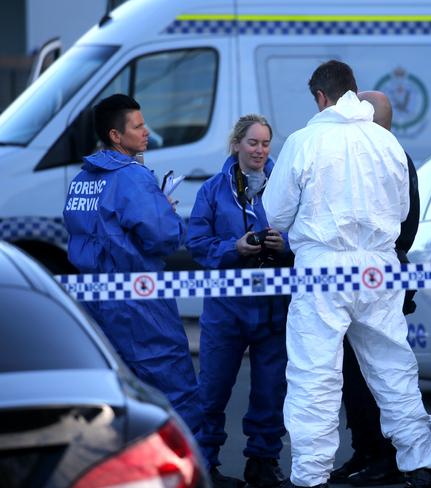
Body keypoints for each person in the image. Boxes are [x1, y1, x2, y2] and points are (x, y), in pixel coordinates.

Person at [263, 61, 431, 488]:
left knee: (315, 373)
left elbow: (275, 213)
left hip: (323, 267)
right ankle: (419, 464)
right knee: (393, 367)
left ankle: (310, 476)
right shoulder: (387, 142)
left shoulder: (304, 142)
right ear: (353, 92)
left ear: (321, 97)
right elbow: (401, 211)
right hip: (379, 266)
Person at [62, 93, 203, 439]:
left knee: (115, 396)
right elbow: (164, 237)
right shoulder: (132, 177)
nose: (146, 132)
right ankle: (195, 467)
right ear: (115, 135)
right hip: (140, 302)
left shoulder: (82, 178)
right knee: (174, 387)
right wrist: (167, 211)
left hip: (94, 303)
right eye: (138, 126)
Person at [186, 114, 291, 488]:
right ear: (236, 145)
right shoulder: (213, 190)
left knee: (270, 391)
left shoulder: (287, 186)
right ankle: (204, 465)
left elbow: (309, 234)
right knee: (211, 392)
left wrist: (285, 246)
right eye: (253, 143)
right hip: (226, 310)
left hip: (272, 308)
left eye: (265, 143)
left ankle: (262, 463)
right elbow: (196, 244)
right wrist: (233, 248)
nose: (260, 150)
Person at [330, 90, 420, 486]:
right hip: (365, 277)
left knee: (380, 374)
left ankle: (389, 457)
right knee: (353, 373)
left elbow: (406, 222)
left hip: (380, 278)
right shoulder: (368, 154)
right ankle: (366, 449)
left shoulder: (391, 156)